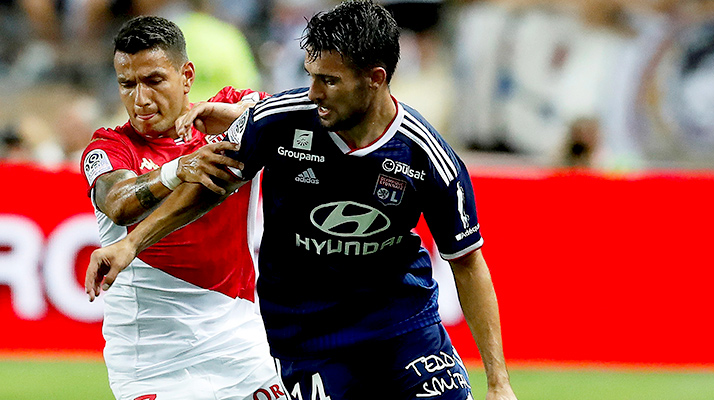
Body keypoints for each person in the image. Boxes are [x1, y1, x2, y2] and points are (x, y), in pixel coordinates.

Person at [86, 2, 518, 399]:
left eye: (328, 81)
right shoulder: (115, 145)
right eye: (127, 84)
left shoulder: (426, 156)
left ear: (375, 79)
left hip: (400, 324)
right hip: (304, 335)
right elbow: (201, 188)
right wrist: (132, 243)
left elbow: (466, 260)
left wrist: (498, 384)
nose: (312, 92)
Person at [79, 15, 284, 400]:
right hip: (155, 362)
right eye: (127, 84)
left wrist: (240, 117)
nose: (140, 99)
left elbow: (301, 119)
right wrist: (177, 170)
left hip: (242, 347)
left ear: (186, 76)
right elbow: (119, 204)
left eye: (154, 81)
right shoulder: (108, 148)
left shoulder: (229, 111)